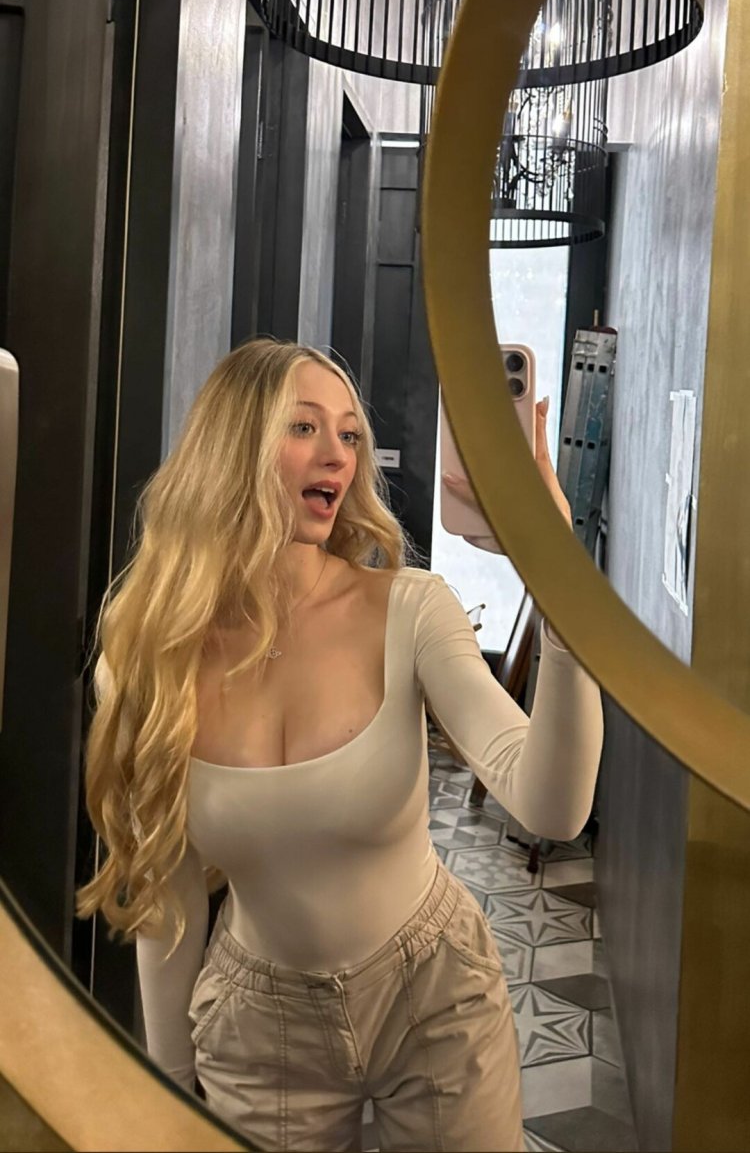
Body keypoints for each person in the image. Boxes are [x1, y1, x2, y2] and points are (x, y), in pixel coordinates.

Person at [77, 336, 603, 1153]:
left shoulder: (411, 610)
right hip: (258, 1026)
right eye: (305, 427)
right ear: (231, 448)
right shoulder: (148, 654)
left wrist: (558, 571)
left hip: (437, 993)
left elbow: (554, 807)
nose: (339, 455)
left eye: (350, 434)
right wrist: (169, 1093)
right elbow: (167, 893)